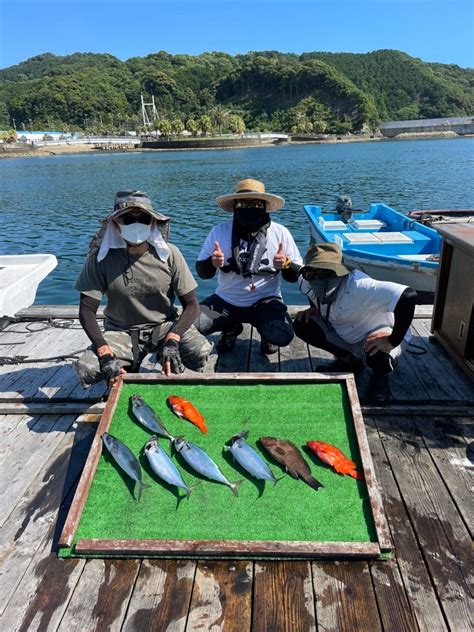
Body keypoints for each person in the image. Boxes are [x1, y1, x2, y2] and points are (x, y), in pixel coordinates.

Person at [75, 190, 212, 387]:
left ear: (153, 222)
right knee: (87, 369)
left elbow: (192, 305)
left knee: (200, 352)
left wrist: (173, 338)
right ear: (116, 223)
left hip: (163, 327)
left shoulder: (169, 254)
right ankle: (129, 362)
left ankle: (162, 355)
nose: (136, 225)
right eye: (128, 219)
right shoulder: (101, 259)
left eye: (143, 219)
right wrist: (103, 350)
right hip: (121, 331)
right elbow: (86, 310)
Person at [293, 242, 417, 403]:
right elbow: (296, 275)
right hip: (347, 333)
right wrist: (314, 308)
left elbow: (407, 295)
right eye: (311, 273)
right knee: (302, 323)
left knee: (378, 352)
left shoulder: (359, 285)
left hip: (379, 332)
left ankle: (380, 378)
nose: (317, 278)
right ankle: (350, 361)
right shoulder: (306, 281)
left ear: (339, 272)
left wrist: (393, 339)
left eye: (325, 273)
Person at [195, 178, 303, 354]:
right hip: (226, 300)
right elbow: (203, 273)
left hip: (265, 300)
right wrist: (212, 263)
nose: (249, 208)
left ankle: (267, 334)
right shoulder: (219, 231)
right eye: (243, 204)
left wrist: (286, 264)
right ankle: (231, 328)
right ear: (235, 206)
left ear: (265, 206)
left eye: (255, 203)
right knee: (192, 326)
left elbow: (296, 276)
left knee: (282, 335)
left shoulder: (280, 232)